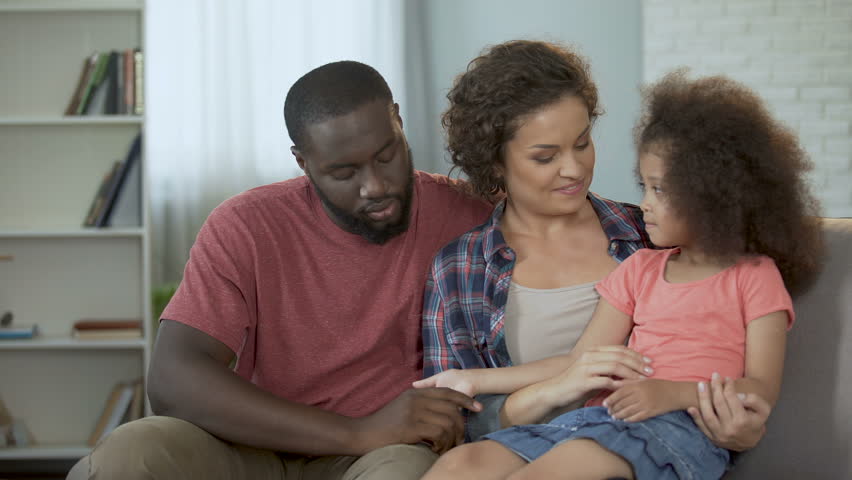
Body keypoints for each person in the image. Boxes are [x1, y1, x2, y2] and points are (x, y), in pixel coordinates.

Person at [66, 60, 494, 480]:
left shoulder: (469, 214)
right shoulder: (246, 224)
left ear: (397, 121)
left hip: (386, 454)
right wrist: (355, 432)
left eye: (386, 156)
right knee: (129, 453)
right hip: (253, 449)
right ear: (303, 162)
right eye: (343, 172)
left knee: (405, 473)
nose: (375, 186)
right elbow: (173, 377)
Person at [419, 69, 823, 479]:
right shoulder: (640, 267)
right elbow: (577, 363)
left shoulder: (652, 241)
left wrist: (683, 399)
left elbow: (757, 389)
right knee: (460, 467)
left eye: (582, 143)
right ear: (496, 163)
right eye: (545, 156)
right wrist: (472, 378)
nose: (574, 169)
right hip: (594, 422)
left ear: (714, 195)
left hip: (660, 431)